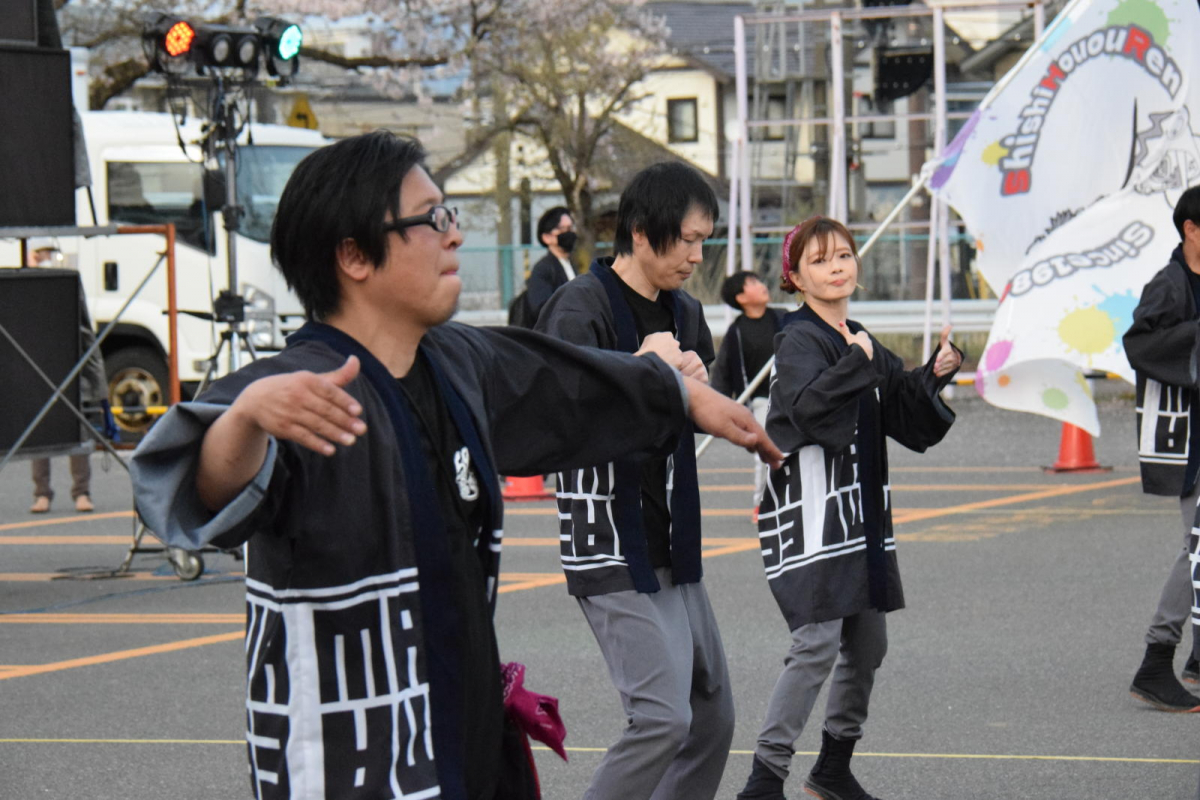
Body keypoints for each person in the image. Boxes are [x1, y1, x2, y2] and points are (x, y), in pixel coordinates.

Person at [129, 132, 781, 800]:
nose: (455, 236)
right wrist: (245, 421)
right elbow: (199, 481)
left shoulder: (459, 363)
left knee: (704, 715)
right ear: (354, 255)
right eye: (431, 219)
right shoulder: (296, 387)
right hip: (351, 768)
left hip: (463, 738)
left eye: (451, 216)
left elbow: (570, 381)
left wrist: (685, 395)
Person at [735, 216, 962, 800]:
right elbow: (810, 409)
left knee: (867, 644)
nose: (836, 266)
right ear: (795, 277)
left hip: (857, 512)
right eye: (819, 260)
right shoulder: (797, 338)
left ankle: (833, 768)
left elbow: (896, 400)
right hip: (812, 511)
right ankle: (764, 778)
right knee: (815, 643)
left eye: (843, 255)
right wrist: (859, 361)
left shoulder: (856, 333)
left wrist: (933, 375)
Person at [535, 161, 732, 800]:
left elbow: (692, 414)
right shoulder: (579, 307)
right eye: (689, 240)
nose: (698, 256)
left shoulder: (686, 312)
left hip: (672, 539)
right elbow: (556, 418)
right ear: (642, 233)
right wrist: (642, 371)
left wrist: (699, 392)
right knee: (661, 719)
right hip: (610, 542)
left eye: (706, 240)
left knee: (711, 719)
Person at [1122, 185, 1200, 713]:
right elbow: (1140, 345)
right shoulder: (1170, 286)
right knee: (1199, 545)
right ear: (1192, 229)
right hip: (1192, 440)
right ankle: (1156, 659)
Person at [26, 240, 106, 514]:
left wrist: (99, 387)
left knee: (78, 434)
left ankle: (81, 491)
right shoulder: (27, 290)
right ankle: (42, 492)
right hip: (39, 367)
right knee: (40, 435)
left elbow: (87, 336)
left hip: (71, 370)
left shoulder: (69, 284)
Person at [711, 271, 785, 520]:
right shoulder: (737, 333)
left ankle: (791, 498)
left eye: (759, 279)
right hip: (761, 402)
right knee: (767, 451)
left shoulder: (782, 318)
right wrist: (719, 406)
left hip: (789, 395)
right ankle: (762, 503)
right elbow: (722, 372)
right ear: (741, 297)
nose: (762, 284)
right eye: (752, 283)